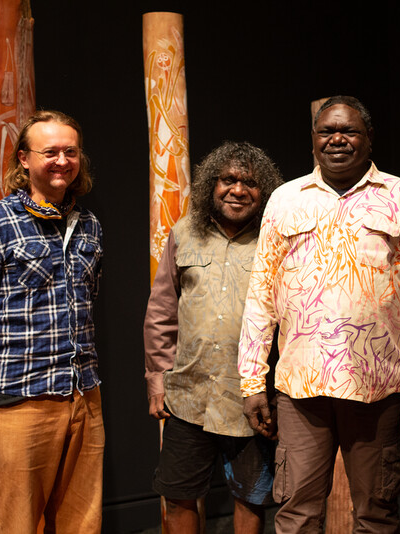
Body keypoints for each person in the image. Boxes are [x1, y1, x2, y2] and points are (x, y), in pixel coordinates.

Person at [239, 95, 400, 532]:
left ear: (368, 139)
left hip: (378, 389)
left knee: (376, 515)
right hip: (300, 390)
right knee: (297, 515)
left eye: (349, 131)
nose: (337, 140)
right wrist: (252, 381)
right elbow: (260, 297)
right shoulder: (286, 200)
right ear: (313, 140)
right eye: (327, 131)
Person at [0, 110, 104, 533]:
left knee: (82, 521)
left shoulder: (89, 225)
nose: (62, 161)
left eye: (70, 152)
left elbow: (87, 303)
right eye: (50, 151)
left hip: (83, 396)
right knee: (19, 523)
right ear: (24, 158)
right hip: (20, 399)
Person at [144, 141, 284, 533]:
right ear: (212, 184)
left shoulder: (275, 238)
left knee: (251, 496)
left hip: (252, 398)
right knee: (179, 494)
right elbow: (161, 312)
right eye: (228, 179)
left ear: (265, 191)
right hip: (188, 394)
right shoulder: (185, 232)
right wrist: (157, 379)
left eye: (250, 183)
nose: (238, 190)